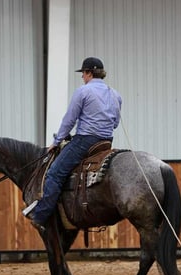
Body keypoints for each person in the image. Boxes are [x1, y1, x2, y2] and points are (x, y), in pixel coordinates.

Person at [25, 56, 122, 232]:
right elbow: (115, 123)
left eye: (83, 73)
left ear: (89, 73)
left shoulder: (83, 92)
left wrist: (57, 141)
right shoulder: (115, 94)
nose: (82, 77)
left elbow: (69, 120)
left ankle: (41, 216)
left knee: (55, 173)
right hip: (106, 142)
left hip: (85, 141)